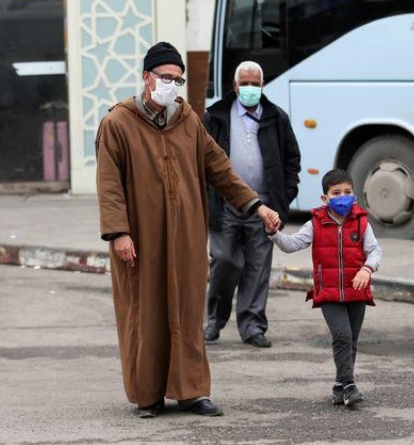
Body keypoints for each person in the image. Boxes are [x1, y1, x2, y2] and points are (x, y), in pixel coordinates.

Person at [95, 42, 280, 419]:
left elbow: (221, 169)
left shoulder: (188, 121)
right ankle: (148, 395)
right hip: (140, 239)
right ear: (147, 78)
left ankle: (191, 391)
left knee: (187, 313)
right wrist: (118, 233)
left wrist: (256, 205)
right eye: (166, 77)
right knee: (145, 314)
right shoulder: (118, 123)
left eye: (177, 80)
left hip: (187, 238)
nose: (172, 85)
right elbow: (109, 185)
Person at [202, 61, 301, 348]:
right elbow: (202, 160)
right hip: (225, 204)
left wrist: (284, 197)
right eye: (244, 84)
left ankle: (252, 326)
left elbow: (292, 159)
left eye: (254, 84)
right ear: (235, 86)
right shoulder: (216, 117)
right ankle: (214, 321)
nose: (249, 89)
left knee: (258, 267)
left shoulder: (276, 117)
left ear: (262, 85)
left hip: (266, 206)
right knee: (225, 260)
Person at [264, 169, 382, 407]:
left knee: (351, 341)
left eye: (347, 192)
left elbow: (375, 251)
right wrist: (273, 232)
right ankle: (350, 385)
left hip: (357, 292)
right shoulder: (315, 223)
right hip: (328, 293)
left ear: (354, 194)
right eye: (336, 193)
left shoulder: (361, 222)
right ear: (325, 198)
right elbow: (291, 244)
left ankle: (340, 385)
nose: (343, 197)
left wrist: (366, 270)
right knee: (342, 336)